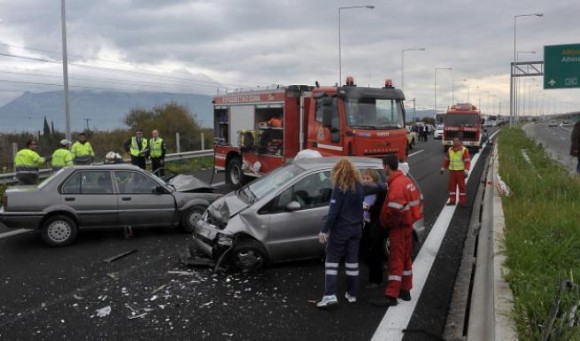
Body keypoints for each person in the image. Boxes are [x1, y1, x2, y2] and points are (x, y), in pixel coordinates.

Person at [316, 159, 364, 308]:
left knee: (332, 260)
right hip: (356, 229)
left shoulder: (340, 187)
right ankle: (352, 293)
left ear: (338, 171)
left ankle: (330, 295)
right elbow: (378, 187)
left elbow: (333, 212)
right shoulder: (359, 186)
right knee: (352, 262)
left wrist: (324, 230)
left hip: (341, 229)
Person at [371, 155, 414, 307]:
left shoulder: (395, 185)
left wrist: (388, 223)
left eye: (384, 167)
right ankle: (405, 290)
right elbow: (415, 205)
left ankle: (391, 295)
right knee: (406, 260)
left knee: (395, 261)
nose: (384, 169)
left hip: (399, 228)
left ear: (387, 167)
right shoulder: (406, 181)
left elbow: (396, 209)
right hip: (407, 227)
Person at [360, 168, 387, 289]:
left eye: (368, 178)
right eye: (364, 178)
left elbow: (380, 210)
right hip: (366, 224)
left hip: (376, 225)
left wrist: (368, 208)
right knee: (366, 251)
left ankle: (375, 280)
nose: (365, 181)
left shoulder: (379, 192)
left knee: (375, 252)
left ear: (374, 180)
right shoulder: (363, 191)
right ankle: (379, 268)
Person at [440, 137, 471, 206]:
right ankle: (452, 200)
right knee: (452, 187)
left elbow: (467, 161)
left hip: (460, 171)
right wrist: (443, 168)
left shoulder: (464, 150)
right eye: (454, 141)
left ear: (460, 142)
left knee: (461, 187)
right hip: (452, 171)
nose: (455, 143)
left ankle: (462, 202)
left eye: (457, 141)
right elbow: (446, 160)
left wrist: (466, 170)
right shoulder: (450, 149)